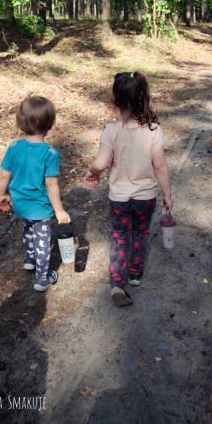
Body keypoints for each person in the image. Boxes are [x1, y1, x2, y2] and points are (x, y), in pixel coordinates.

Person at [85, 72, 172, 307]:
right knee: (142, 233)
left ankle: (116, 283)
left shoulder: (112, 130)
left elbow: (101, 163)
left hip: (120, 199)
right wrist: (167, 195)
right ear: (144, 98)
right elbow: (161, 166)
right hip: (146, 198)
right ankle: (135, 274)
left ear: (116, 100)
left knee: (120, 237)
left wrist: (92, 172)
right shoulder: (154, 129)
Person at [0, 95, 70, 292]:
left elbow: (5, 174)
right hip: (40, 208)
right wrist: (59, 210)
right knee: (43, 240)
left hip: (20, 205)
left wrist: (2, 194)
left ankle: (30, 258)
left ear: (20, 123)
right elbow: (51, 184)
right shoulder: (49, 153)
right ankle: (42, 278)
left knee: (27, 229)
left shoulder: (14, 147)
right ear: (50, 124)